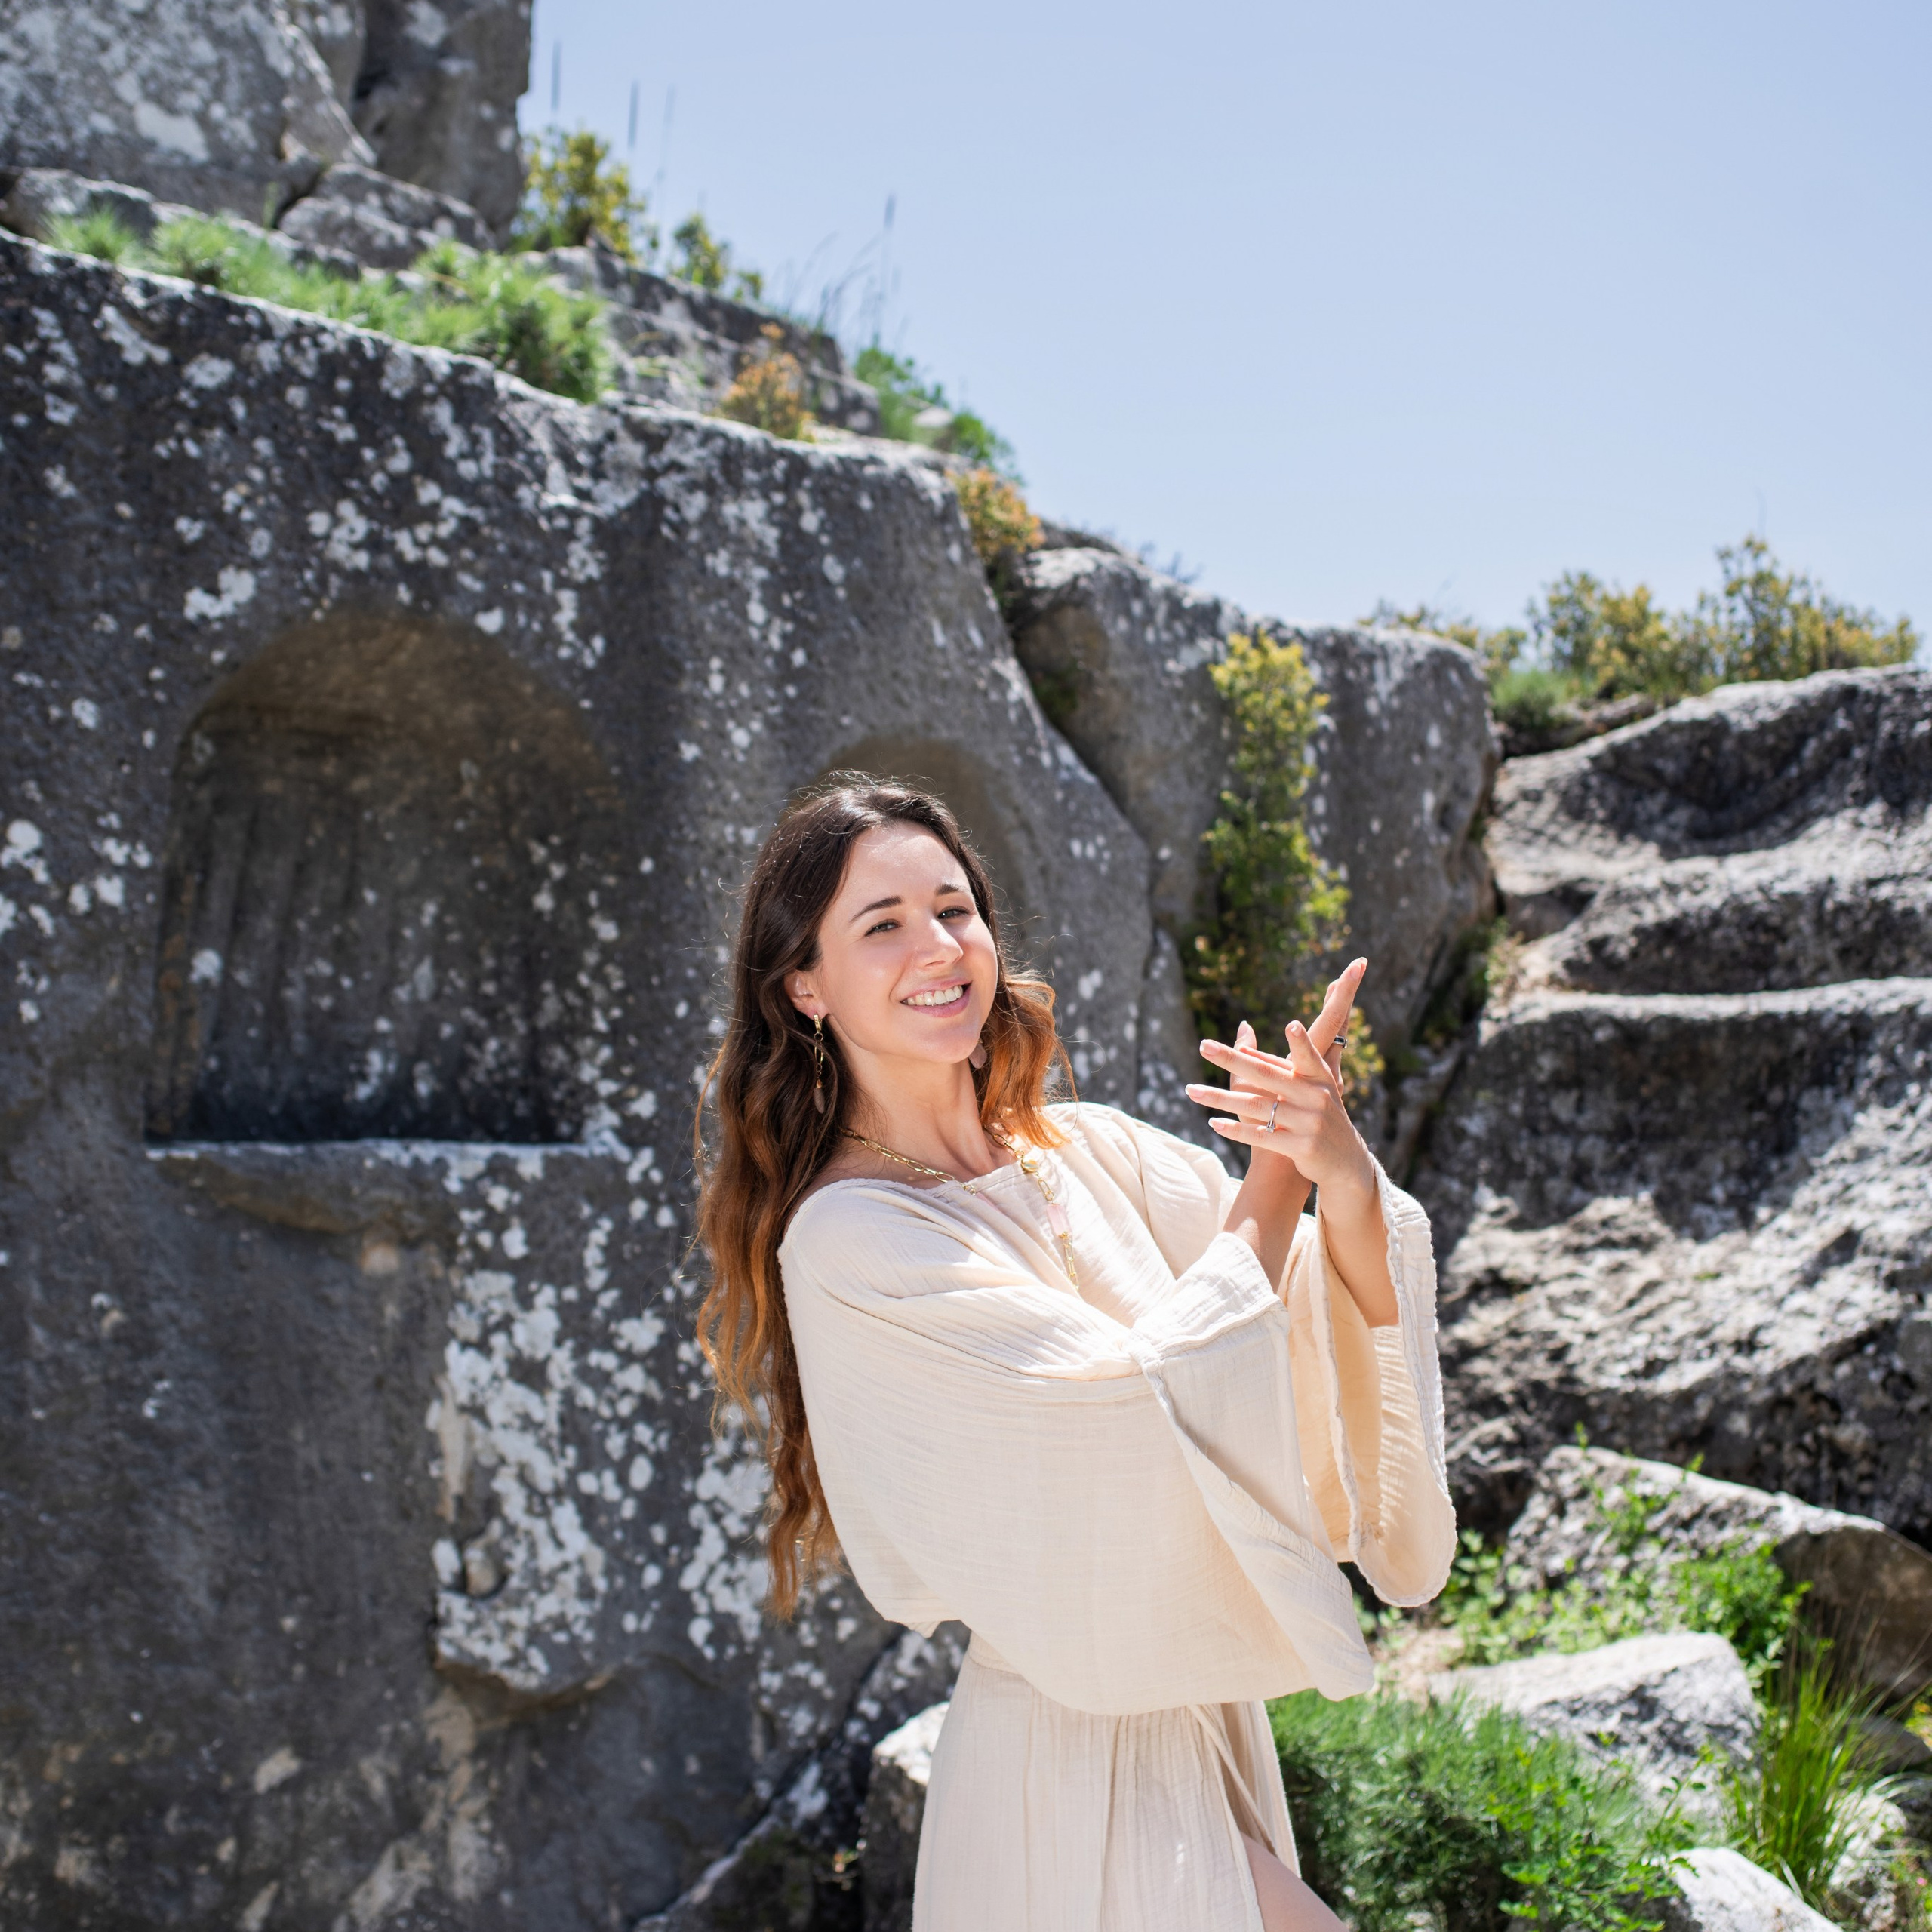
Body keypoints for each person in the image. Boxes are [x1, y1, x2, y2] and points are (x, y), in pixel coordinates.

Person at [696, 777, 1457, 1932]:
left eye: (955, 908)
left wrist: (1332, 1162)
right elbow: (1134, 1411)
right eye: (882, 923)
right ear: (804, 984)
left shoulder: (1087, 1149)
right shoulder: (853, 1240)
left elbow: (1293, 1308)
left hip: (1200, 1731)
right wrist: (1271, 1182)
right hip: (1067, 1764)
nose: (937, 947)